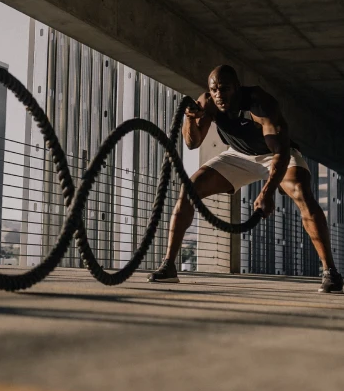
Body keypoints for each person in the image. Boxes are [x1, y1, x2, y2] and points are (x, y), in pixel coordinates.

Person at [147, 65, 343, 293]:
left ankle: (331, 272)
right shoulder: (208, 102)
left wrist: (268, 191)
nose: (219, 94)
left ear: (237, 88)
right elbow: (193, 143)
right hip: (238, 155)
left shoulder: (260, 103)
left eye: (225, 88)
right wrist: (190, 119)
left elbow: (280, 151)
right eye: (214, 89)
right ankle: (169, 266)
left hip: (276, 155)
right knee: (190, 188)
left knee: (301, 193)